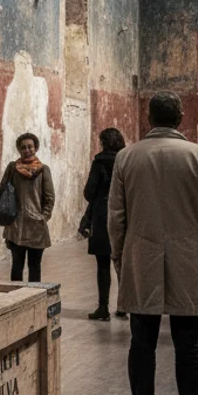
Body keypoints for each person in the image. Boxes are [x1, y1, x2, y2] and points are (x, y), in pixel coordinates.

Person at [109, 91, 198, 395]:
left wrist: (119, 257)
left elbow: (116, 216)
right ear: (180, 119)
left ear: (149, 118)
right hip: (189, 258)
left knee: (141, 343)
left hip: (142, 256)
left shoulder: (127, 157)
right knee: (189, 346)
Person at [0, 132, 55, 282]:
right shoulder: (12, 168)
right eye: (23, 147)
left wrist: (43, 217)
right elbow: (3, 190)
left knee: (34, 266)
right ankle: (16, 299)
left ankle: (33, 298)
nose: (27, 150)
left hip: (36, 226)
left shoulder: (43, 170)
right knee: (17, 265)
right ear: (19, 150)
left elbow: (49, 198)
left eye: (30, 147)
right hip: (16, 225)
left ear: (35, 148)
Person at [84, 128, 125, 321]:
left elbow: (89, 192)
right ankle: (124, 305)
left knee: (102, 264)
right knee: (123, 263)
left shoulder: (99, 162)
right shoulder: (126, 160)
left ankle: (103, 307)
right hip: (124, 214)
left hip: (102, 216)